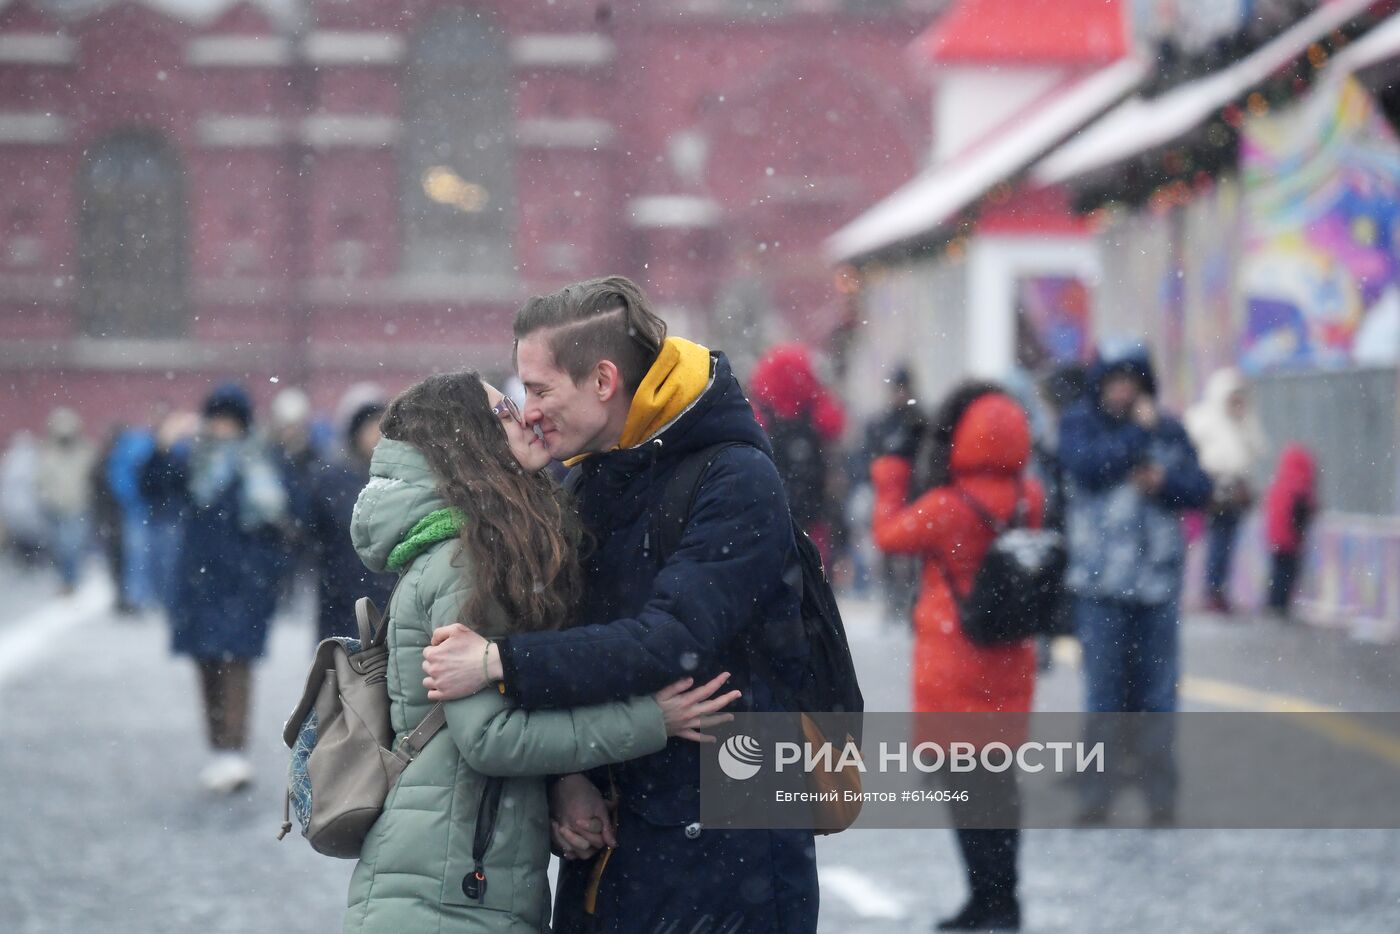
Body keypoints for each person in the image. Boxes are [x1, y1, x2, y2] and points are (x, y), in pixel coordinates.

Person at [420, 276, 819, 933]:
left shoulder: (737, 477)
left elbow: (668, 642)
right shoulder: (593, 475)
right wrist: (569, 776)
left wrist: (499, 662)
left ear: (604, 381)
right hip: (620, 827)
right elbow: (576, 624)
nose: (529, 409)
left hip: (735, 825)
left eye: (540, 389)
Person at [343, 371, 738, 934]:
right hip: (445, 891)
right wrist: (651, 720)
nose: (524, 415)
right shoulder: (465, 565)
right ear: (469, 443)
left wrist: (565, 781)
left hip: (453, 874)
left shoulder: (470, 548)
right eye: (503, 412)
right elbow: (489, 739)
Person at [870, 383, 1043, 932]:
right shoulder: (1028, 498)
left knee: (966, 793)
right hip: (1010, 661)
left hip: (954, 662)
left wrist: (893, 471)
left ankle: (985, 900)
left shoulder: (946, 508)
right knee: (999, 786)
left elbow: (888, 535)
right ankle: (1003, 899)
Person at [1059, 344, 1211, 825]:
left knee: (1158, 698)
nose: (1124, 390)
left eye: (1133, 381)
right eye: (1115, 381)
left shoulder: (1169, 430)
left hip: (1157, 587)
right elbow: (1087, 467)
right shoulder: (1080, 426)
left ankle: (1160, 799)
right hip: (1100, 587)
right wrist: (1135, 438)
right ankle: (1095, 797)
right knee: (1103, 697)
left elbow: (1199, 488)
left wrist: (1163, 482)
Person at [142, 384, 288, 793]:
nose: (223, 428)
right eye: (217, 419)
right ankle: (219, 747)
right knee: (207, 664)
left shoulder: (261, 461)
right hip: (200, 581)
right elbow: (152, 488)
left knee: (238, 662)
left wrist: (271, 570)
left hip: (246, 581)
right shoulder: (192, 461)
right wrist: (162, 444)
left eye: (230, 419)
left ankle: (234, 751)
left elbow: (287, 514)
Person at [305, 394, 394, 643]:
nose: (376, 437)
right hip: (341, 590)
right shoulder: (332, 479)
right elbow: (312, 531)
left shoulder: (400, 480)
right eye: (371, 429)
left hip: (387, 590)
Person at [749, 342, 847, 563]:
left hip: (769, 518)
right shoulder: (816, 416)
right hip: (814, 517)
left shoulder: (760, 420)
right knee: (814, 576)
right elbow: (835, 427)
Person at [1185, 368, 1267, 613]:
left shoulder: (1243, 422)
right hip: (1214, 488)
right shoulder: (1204, 421)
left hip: (1237, 489)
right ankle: (1213, 590)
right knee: (1218, 541)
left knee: (1228, 542)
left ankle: (1219, 590)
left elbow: (1256, 450)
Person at [862, 366, 929, 627]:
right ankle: (894, 598)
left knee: (910, 546)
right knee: (889, 545)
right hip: (890, 494)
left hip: (911, 492)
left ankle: (908, 597)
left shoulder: (918, 420)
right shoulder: (884, 422)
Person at [36, 408, 97, 594]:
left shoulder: (85, 451)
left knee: (73, 545)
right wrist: (46, 499)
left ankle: (72, 579)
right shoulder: (47, 452)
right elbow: (40, 480)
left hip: (78, 507)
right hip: (55, 508)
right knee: (60, 547)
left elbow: (92, 477)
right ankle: (66, 579)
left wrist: (88, 498)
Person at [1264, 443, 1317, 617]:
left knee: (1277, 572)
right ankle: (1280, 605)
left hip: (1276, 537)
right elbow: (1300, 515)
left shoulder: (1280, 482)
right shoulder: (1299, 487)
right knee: (1287, 573)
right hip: (1289, 538)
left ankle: (1274, 603)